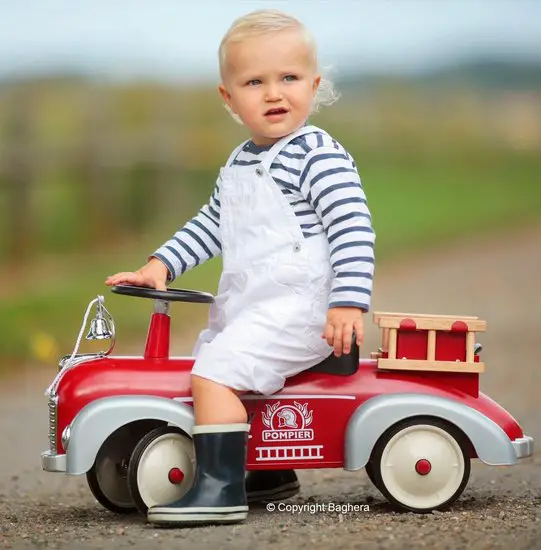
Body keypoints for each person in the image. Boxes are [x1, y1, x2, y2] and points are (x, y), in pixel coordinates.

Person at [105, 8, 375, 526]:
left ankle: (220, 488)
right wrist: (161, 263)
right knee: (215, 363)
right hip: (256, 307)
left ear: (314, 85)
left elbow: (353, 227)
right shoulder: (239, 161)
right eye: (255, 81)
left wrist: (347, 302)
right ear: (229, 97)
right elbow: (210, 226)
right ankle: (269, 471)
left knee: (214, 375)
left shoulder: (318, 154)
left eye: (289, 78)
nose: (274, 93)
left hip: (303, 309)